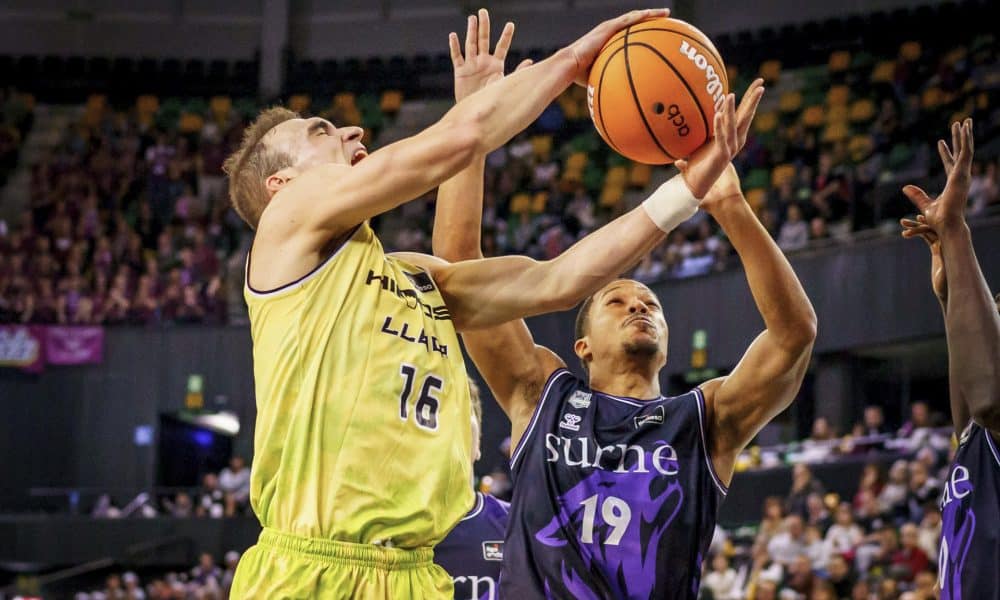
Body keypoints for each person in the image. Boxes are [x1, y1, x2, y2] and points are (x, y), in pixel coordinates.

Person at [223, 7, 755, 598]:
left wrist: (688, 188)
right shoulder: (286, 228)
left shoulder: (419, 278)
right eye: (321, 131)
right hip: (312, 569)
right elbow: (458, 141)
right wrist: (574, 61)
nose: (352, 132)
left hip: (416, 576)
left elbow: (560, 280)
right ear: (281, 185)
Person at [434, 104, 811, 598]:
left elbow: (793, 336)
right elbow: (459, 270)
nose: (639, 307)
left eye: (650, 304)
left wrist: (732, 207)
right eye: (617, 301)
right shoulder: (542, 394)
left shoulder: (703, 421)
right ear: (582, 346)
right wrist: (472, 116)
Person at [899, 118, 1000, 599]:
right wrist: (948, 295)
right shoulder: (980, 437)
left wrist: (957, 230)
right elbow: (970, 414)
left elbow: (988, 397)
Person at [434, 382, 509, 600]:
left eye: (461, 411)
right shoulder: (385, 535)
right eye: (438, 412)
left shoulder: (518, 527)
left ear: (478, 443)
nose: (450, 425)